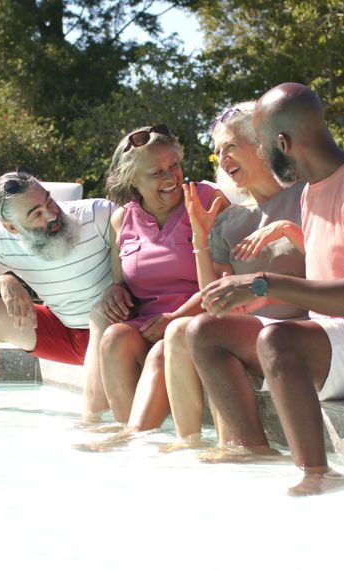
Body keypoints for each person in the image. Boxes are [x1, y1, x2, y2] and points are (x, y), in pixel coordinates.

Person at [189, 83, 344, 496]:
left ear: (282, 142)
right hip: (337, 339)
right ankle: (254, 451)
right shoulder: (315, 187)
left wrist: (265, 283)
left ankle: (318, 474)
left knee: (281, 340)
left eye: (261, 145)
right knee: (204, 332)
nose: (260, 154)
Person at [149, 101, 307, 451]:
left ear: (262, 144)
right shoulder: (229, 220)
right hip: (244, 331)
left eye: (231, 147)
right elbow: (213, 300)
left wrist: (287, 230)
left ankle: (233, 447)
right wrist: (200, 239)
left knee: (204, 332)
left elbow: (332, 263)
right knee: (179, 330)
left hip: (300, 328)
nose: (223, 158)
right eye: (217, 152)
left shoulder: (307, 196)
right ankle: (190, 443)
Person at [86, 124, 225, 439]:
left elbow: (225, 278)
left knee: (165, 348)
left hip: (196, 322)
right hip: (146, 326)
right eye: (156, 172)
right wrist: (113, 292)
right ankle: (129, 433)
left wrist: (176, 318)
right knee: (114, 338)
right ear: (133, 179)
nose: (171, 178)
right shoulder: (122, 219)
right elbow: (119, 281)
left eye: (174, 166)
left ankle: (131, 439)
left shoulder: (205, 199)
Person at [0, 171, 115, 420]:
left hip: (113, 331)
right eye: (36, 214)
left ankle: (95, 425)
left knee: (101, 315)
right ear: (12, 227)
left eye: (49, 201)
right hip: (64, 334)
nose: (51, 214)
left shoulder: (98, 215)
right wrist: (2, 282)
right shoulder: (3, 241)